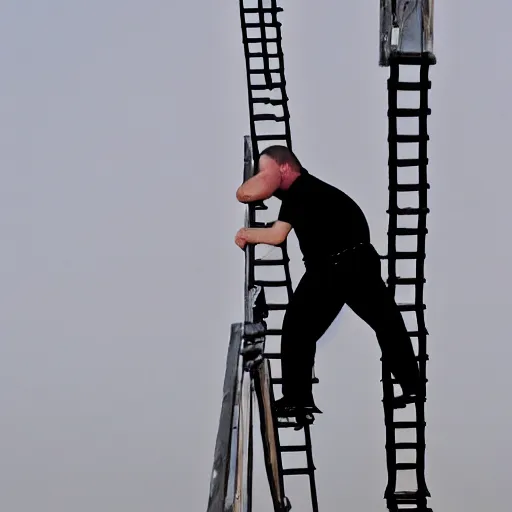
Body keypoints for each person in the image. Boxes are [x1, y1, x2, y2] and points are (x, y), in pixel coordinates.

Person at [235, 145, 421, 422]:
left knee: (297, 330)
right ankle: (412, 387)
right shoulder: (313, 191)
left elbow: (276, 236)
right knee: (387, 323)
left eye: (266, 172)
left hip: (333, 267)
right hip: (360, 260)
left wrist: (246, 233)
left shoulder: (299, 192)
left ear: (284, 168)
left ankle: (298, 400)